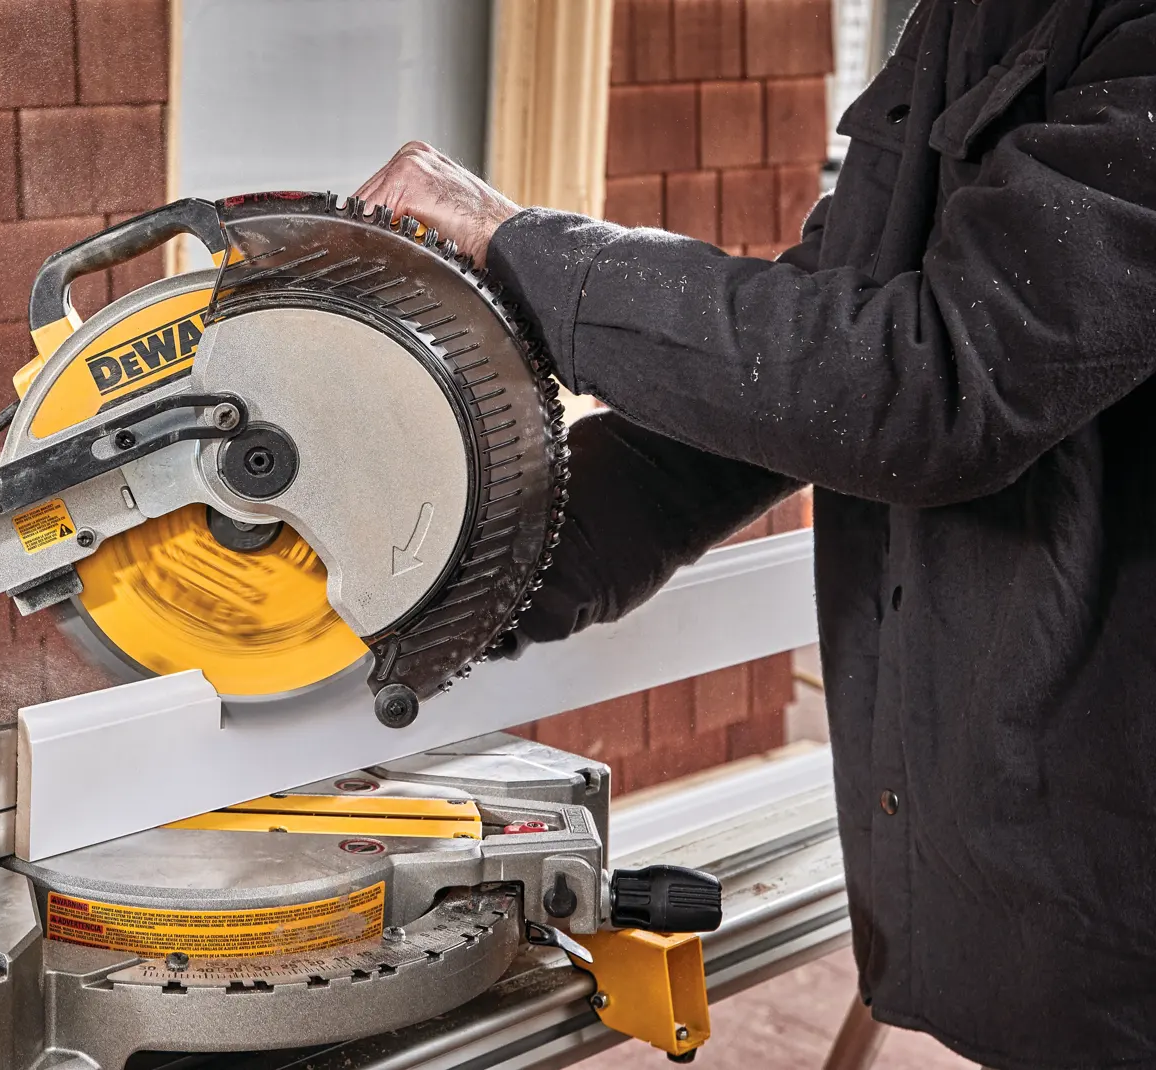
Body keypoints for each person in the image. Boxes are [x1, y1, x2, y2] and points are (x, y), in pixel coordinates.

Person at [354, 0, 1156, 1067]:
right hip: (1015, 877)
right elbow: (780, 392)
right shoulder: (966, 21)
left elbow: (929, 384)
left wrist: (527, 253)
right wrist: (468, 556)